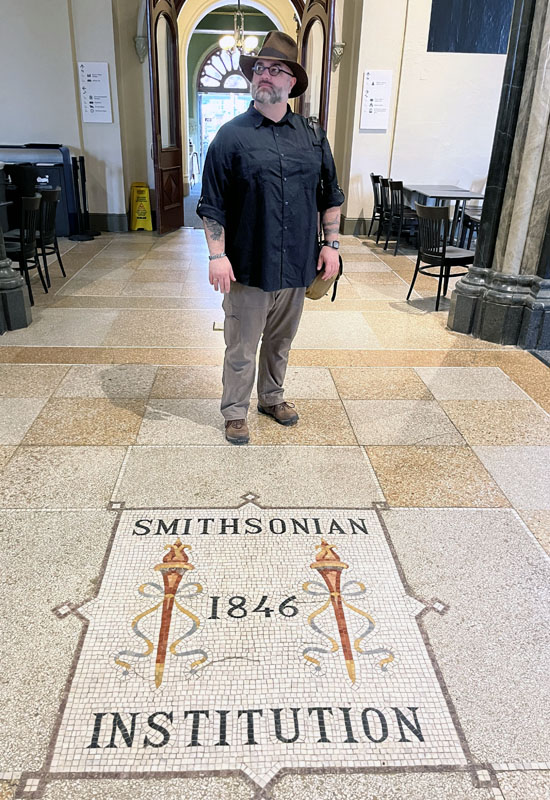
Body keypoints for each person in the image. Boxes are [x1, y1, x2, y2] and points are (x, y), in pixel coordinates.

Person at [197, 31, 345, 445]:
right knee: (242, 347)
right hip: (247, 263)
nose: (264, 75)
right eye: (259, 68)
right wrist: (217, 255)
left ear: (291, 83)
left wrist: (332, 246)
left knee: (280, 342)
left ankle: (272, 398)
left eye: (275, 69)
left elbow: (329, 196)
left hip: (298, 263)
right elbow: (212, 204)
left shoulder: (313, 136)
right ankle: (234, 412)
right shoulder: (230, 136)